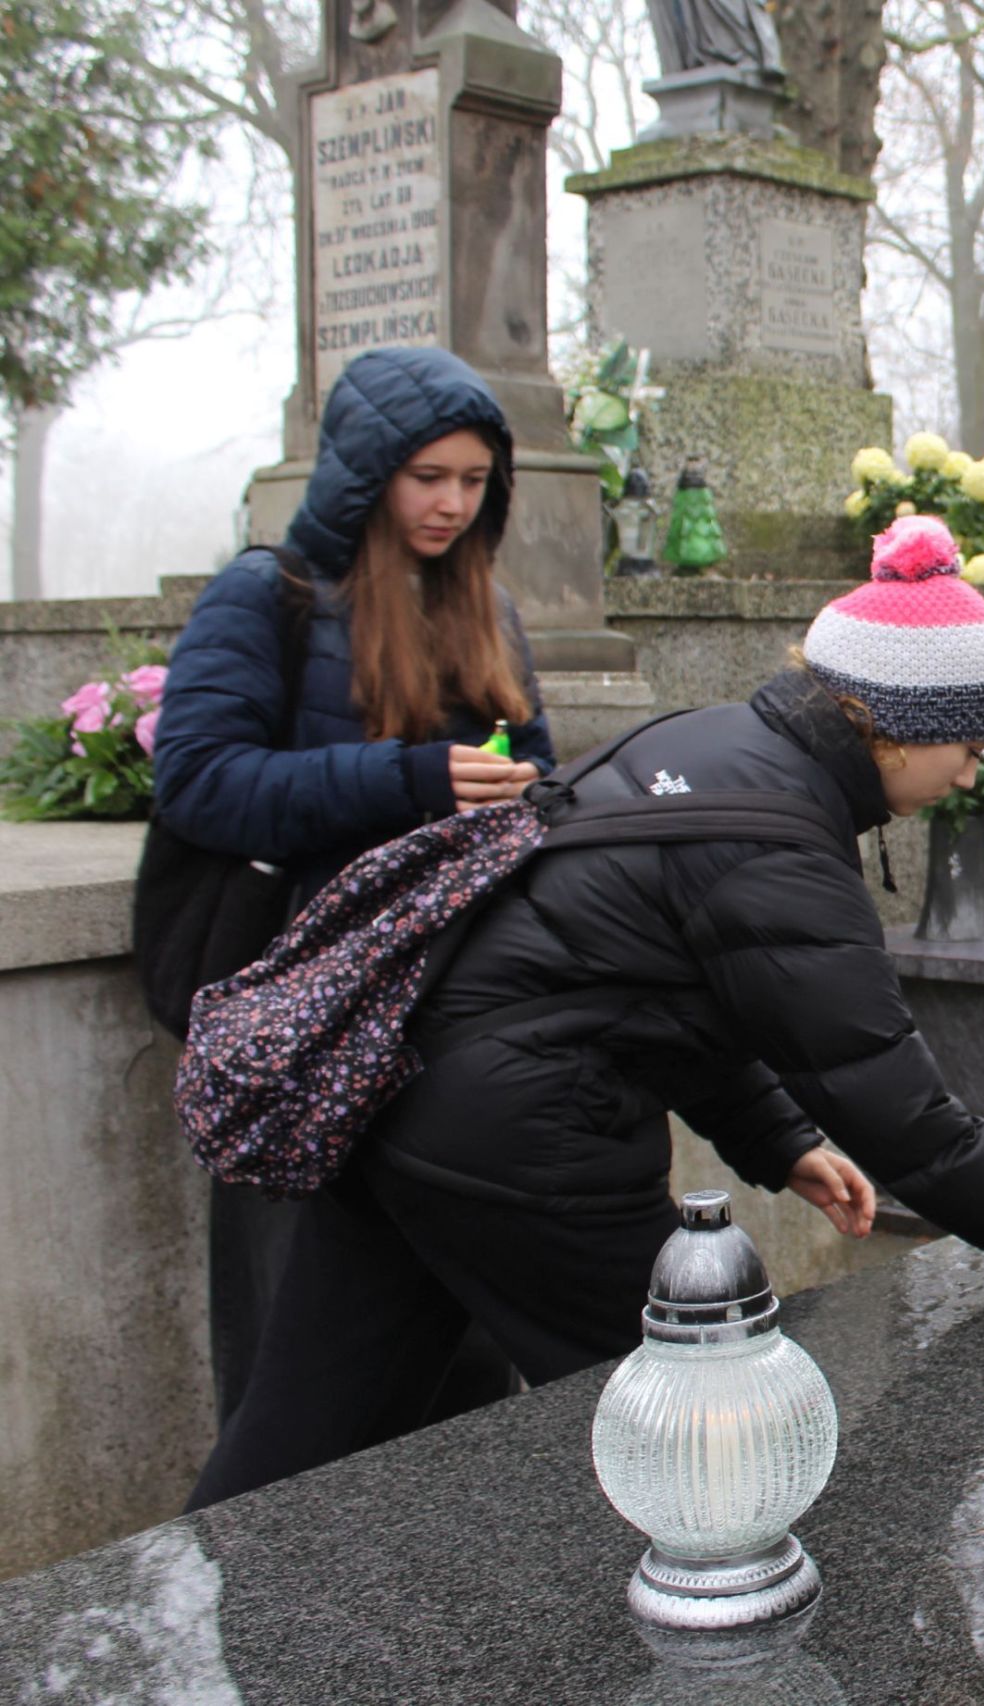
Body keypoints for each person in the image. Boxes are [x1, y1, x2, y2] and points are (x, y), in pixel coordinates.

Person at [186, 514, 984, 1509]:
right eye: (967, 747)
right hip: (523, 1134)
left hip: (402, 1090)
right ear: (891, 727)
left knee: (304, 1425)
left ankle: (214, 1594)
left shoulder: (715, 742)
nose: (971, 775)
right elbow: (896, 1107)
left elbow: (657, 990)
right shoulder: (781, 845)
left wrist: (777, 1139)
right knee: (717, 1418)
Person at [152, 346, 555, 1427]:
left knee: (456, 1340)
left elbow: (536, 767)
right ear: (365, 471)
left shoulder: (489, 608)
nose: (451, 504)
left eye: (474, 481)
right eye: (428, 477)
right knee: (296, 1353)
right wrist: (408, 779)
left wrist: (528, 795)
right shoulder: (266, 595)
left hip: (448, 1011)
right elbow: (197, 783)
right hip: (305, 1026)